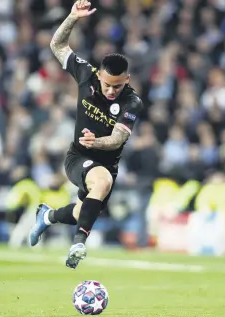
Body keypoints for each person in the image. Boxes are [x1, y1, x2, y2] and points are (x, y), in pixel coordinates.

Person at [28, 0, 143, 269]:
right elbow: (57, 46)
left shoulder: (132, 102)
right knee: (100, 183)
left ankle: (48, 217)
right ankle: (78, 243)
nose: (111, 91)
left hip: (106, 163)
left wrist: (98, 141)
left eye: (117, 86)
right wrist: (72, 18)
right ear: (99, 74)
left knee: (83, 210)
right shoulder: (86, 75)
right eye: (107, 84)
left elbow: (118, 138)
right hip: (78, 156)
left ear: (126, 80)